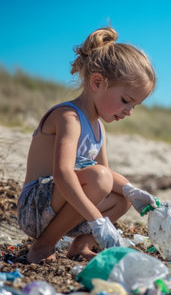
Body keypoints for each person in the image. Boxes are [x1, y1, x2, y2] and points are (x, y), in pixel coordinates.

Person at [17, 27, 158, 263]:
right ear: (97, 82)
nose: (129, 111)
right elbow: (63, 174)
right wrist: (96, 219)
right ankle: (44, 245)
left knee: (120, 198)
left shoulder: (98, 127)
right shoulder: (68, 117)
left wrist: (131, 191)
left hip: (61, 206)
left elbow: (108, 177)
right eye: (126, 100)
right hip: (35, 209)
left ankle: (80, 246)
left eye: (135, 105)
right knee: (100, 178)